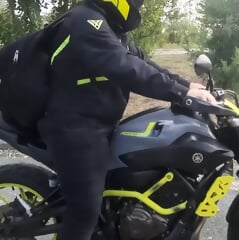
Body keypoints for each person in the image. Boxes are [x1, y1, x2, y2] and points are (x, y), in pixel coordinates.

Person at [37, 0, 216, 239]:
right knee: (84, 212)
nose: (138, 5)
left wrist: (186, 85)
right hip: (76, 127)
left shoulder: (110, 28)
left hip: (98, 121)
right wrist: (181, 94)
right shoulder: (85, 21)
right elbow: (127, 68)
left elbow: (142, 62)